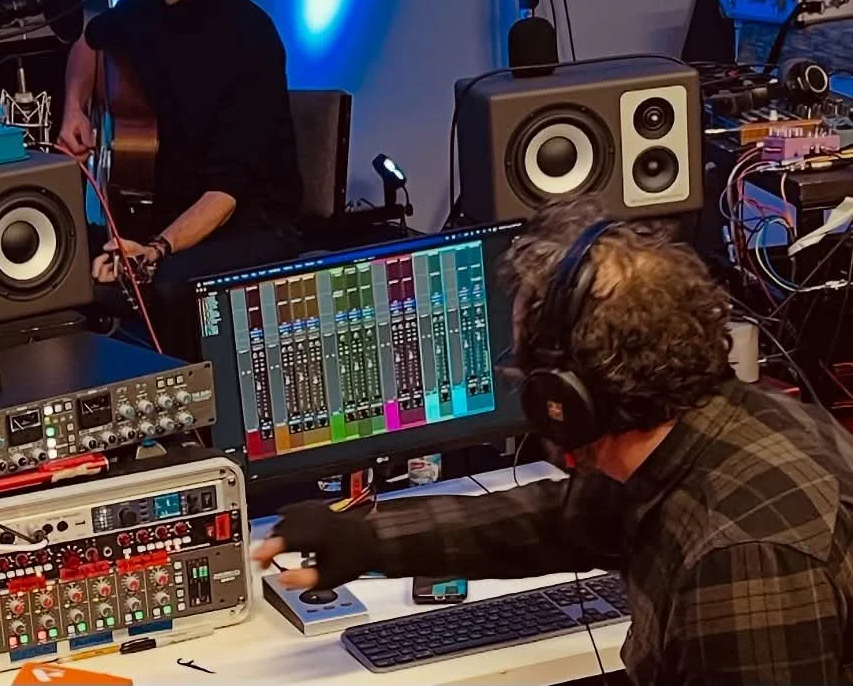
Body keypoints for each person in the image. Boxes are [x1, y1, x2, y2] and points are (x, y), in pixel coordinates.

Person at [254, 195, 853, 685]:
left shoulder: (745, 560)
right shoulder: (714, 433)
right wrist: (365, 539)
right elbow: (559, 520)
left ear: (564, 395)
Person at [57, 0, 302, 357]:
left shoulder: (249, 39)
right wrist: (74, 109)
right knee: (49, 259)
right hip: (162, 215)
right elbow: (88, 43)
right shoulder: (140, 9)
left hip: (249, 224)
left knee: (170, 283)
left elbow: (225, 194)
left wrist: (154, 251)